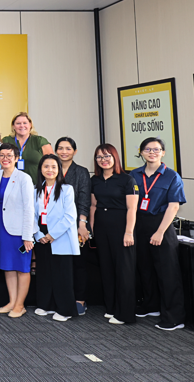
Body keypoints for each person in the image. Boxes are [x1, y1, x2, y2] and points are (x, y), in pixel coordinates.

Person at [129, 137, 186, 331]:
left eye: (156, 149)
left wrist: (160, 232)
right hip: (139, 223)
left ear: (163, 153)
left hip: (161, 223)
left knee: (167, 272)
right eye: (147, 149)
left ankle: (174, 317)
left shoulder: (172, 176)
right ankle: (151, 305)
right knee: (144, 268)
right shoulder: (134, 175)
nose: (152, 152)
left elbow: (173, 206)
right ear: (141, 152)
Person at [90, 144, 138, 325]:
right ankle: (111, 308)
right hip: (102, 227)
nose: (103, 160)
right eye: (99, 157)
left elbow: (132, 208)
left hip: (121, 228)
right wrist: (93, 230)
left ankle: (125, 314)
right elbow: (93, 206)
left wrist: (129, 232)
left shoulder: (127, 180)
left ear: (115, 157)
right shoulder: (95, 180)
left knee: (124, 272)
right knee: (107, 269)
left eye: (107, 156)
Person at [32, 154, 78, 322]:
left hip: (60, 235)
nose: (49, 170)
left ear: (59, 170)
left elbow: (70, 216)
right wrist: (38, 234)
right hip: (41, 234)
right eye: (46, 167)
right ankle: (46, 305)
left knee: (62, 274)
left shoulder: (67, 189)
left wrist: (52, 235)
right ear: (41, 169)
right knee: (44, 271)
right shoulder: (36, 189)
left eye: (53, 167)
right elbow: (32, 214)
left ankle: (65, 309)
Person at [0, 143, 35, 318]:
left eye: (9, 155)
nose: (5, 159)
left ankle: (20, 304)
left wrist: (27, 236)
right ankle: (12, 301)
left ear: (17, 158)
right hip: (1, 228)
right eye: (2, 155)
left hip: (18, 231)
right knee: (8, 266)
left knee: (22, 268)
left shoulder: (24, 178)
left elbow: (29, 208)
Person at [55, 137, 92, 316]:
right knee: (62, 266)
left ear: (74, 151)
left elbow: (84, 198)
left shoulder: (81, 172)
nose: (64, 151)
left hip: (77, 225)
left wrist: (82, 224)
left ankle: (80, 299)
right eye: (60, 148)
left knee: (79, 264)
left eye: (68, 148)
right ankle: (63, 298)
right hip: (56, 226)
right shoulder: (51, 169)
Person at [1, 112, 52, 185]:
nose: (22, 126)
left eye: (25, 123)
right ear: (13, 126)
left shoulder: (39, 141)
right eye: (18, 123)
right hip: (11, 186)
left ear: (30, 125)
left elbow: (52, 163)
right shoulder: (6, 141)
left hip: (36, 186)